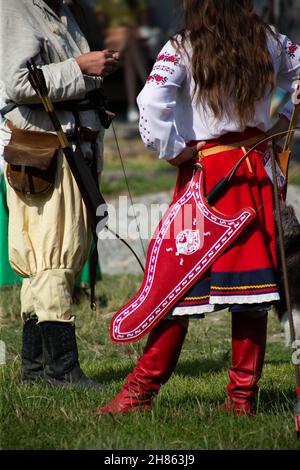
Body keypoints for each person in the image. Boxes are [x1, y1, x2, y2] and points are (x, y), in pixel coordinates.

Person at [98, 0, 299, 415]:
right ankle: (239, 401)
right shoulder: (270, 40)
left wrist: (174, 150)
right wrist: (274, 119)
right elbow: (296, 78)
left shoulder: (183, 45)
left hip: (209, 173)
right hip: (255, 172)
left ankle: (140, 394)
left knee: (177, 285)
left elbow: (150, 102)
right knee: (251, 295)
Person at [0, 0, 119, 388]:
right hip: (44, 149)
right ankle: (62, 371)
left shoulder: (64, 10)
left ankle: (34, 370)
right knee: (53, 253)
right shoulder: (14, 8)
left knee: (47, 257)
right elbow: (18, 81)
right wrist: (81, 67)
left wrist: (94, 69)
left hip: (66, 146)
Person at [96, 0, 150, 122]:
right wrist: (123, 31)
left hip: (133, 39)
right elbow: (103, 29)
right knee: (127, 34)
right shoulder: (105, 2)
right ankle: (148, 85)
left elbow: (144, 26)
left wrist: (134, 33)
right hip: (114, 39)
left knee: (130, 58)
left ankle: (131, 106)